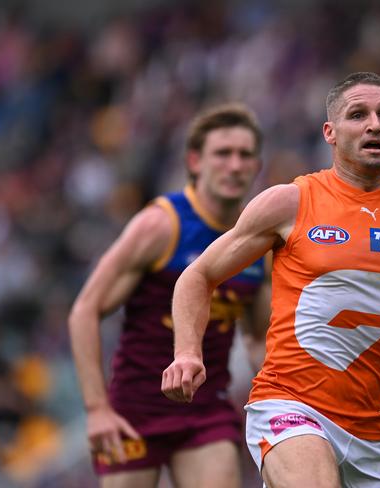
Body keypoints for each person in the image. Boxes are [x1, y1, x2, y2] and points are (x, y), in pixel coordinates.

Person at [161, 72, 380, 487]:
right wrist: (187, 352)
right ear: (330, 133)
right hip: (290, 405)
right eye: (358, 115)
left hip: (373, 436)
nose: (374, 124)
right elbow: (198, 274)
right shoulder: (291, 202)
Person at [68, 103, 270, 488]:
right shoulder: (160, 225)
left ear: (257, 166)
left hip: (207, 412)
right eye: (222, 154)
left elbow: (258, 337)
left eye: (245, 155)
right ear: (194, 161)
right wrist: (96, 409)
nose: (234, 165)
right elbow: (84, 311)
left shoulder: (259, 239)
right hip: (133, 412)